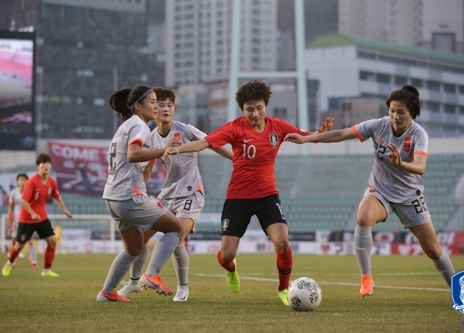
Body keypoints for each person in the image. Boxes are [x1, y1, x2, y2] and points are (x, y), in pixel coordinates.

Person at [166, 79, 333, 305]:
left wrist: (318, 133)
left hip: (267, 195)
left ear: (266, 105)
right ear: (243, 109)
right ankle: (231, 269)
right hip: (238, 197)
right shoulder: (235, 127)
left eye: (259, 107)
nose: (255, 113)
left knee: (282, 242)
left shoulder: (278, 126)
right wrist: (178, 149)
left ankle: (284, 290)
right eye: (249, 109)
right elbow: (205, 144)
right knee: (226, 256)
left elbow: (304, 138)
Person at [285, 84, 455, 297]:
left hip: (410, 196)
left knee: (433, 250)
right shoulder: (378, 126)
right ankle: (366, 278)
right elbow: (341, 134)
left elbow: (420, 167)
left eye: (401, 112)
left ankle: (456, 289)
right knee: (363, 217)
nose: (395, 116)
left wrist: (401, 163)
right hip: (380, 191)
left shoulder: (419, 134)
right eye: (392, 110)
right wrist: (308, 138)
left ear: (412, 112)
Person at [118, 87, 233, 302]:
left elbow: (213, 143)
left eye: (170, 105)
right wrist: (140, 192)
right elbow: (148, 168)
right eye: (160, 104)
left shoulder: (186, 130)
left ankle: (177, 285)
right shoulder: (150, 137)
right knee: (140, 239)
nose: (165, 108)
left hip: (191, 193)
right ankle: (134, 282)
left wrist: (238, 160)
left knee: (177, 234)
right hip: (167, 195)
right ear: (153, 107)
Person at [97, 85, 184, 303]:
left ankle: (107, 292)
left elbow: (134, 160)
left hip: (113, 197)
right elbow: (133, 155)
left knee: (134, 248)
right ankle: (151, 275)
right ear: (138, 106)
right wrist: (163, 150)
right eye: (153, 102)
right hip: (128, 197)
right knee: (176, 227)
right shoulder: (140, 125)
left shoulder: (125, 126)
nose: (156, 107)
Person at [2, 154, 73, 277]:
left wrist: (64, 210)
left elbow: (56, 196)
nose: (45, 165)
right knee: (18, 246)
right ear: (38, 166)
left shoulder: (52, 182)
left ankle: (46, 270)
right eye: (42, 163)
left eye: (47, 163)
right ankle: (9, 263)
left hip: (42, 218)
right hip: (26, 219)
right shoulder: (32, 181)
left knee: (52, 241)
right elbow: (24, 200)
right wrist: (32, 213)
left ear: (50, 165)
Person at [7, 173, 38, 268]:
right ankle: (13, 262)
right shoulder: (14, 193)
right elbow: (10, 207)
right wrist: (9, 220)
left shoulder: (31, 192)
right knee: (14, 243)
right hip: (16, 222)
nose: (22, 182)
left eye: (24, 180)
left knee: (31, 241)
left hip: (28, 221)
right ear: (17, 181)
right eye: (20, 180)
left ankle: (34, 262)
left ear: (27, 181)